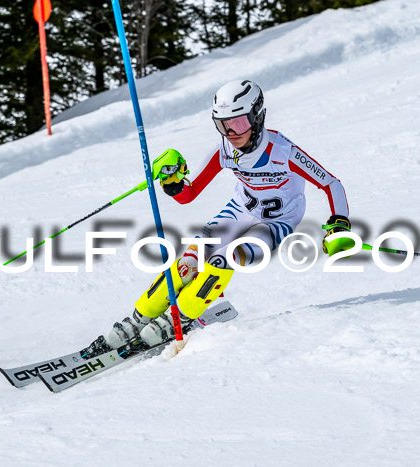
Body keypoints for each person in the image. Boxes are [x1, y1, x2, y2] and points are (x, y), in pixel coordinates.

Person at [83, 79, 351, 356]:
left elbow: (331, 184)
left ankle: (181, 316)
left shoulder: (283, 151)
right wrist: (172, 183)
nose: (231, 133)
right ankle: (138, 319)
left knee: (226, 257)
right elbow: (189, 194)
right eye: (223, 124)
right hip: (240, 210)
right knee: (191, 258)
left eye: (238, 123)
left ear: (257, 118)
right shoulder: (224, 149)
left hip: (277, 222)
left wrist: (339, 224)